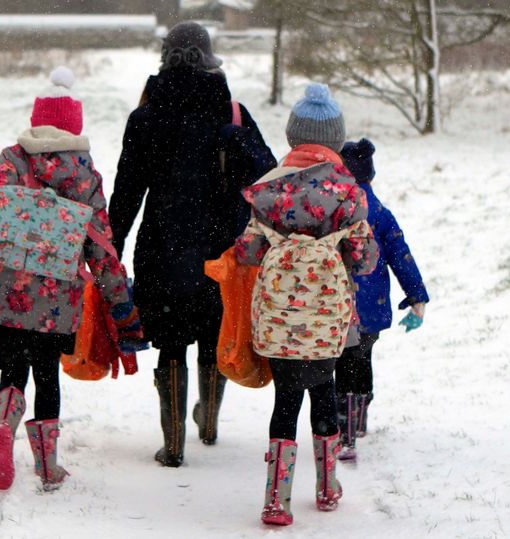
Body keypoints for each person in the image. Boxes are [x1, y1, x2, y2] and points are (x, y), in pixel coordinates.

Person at [108, 21, 276, 467]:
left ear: (165, 58)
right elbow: (267, 179)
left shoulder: (145, 117)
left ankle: (175, 444)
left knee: (169, 344)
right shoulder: (231, 112)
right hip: (221, 252)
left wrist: (111, 250)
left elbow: (126, 193)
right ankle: (210, 424)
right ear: (209, 58)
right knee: (210, 334)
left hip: (162, 247)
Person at [0, 67, 144, 491]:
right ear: (74, 125)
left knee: (12, 367)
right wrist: (119, 302)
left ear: (36, 120)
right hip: (57, 298)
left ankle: (2, 427)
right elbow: (100, 247)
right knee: (47, 372)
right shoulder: (84, 175)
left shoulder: (13, 158)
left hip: (8, 287)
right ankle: (47, 465)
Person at [235, 83, 378, 526]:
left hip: (280, 319)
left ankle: (276, 499)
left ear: (294, 137)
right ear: (336, 141)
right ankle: (327, 485)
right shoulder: (349, 193)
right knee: (324, 394)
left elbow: (247, 252)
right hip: (328, 320)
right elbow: (366, 258)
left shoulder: (268, 191)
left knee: (285, 402)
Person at [334, 138, 430, 460]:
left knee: (343, 364)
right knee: (362, 359)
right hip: (372, 308)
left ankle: (345, 433)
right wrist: (416, 294)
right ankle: (359, 417)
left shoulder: (334, 211)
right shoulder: (381, 213)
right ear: (370, 177)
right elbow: (400, 254)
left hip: (342, 307)